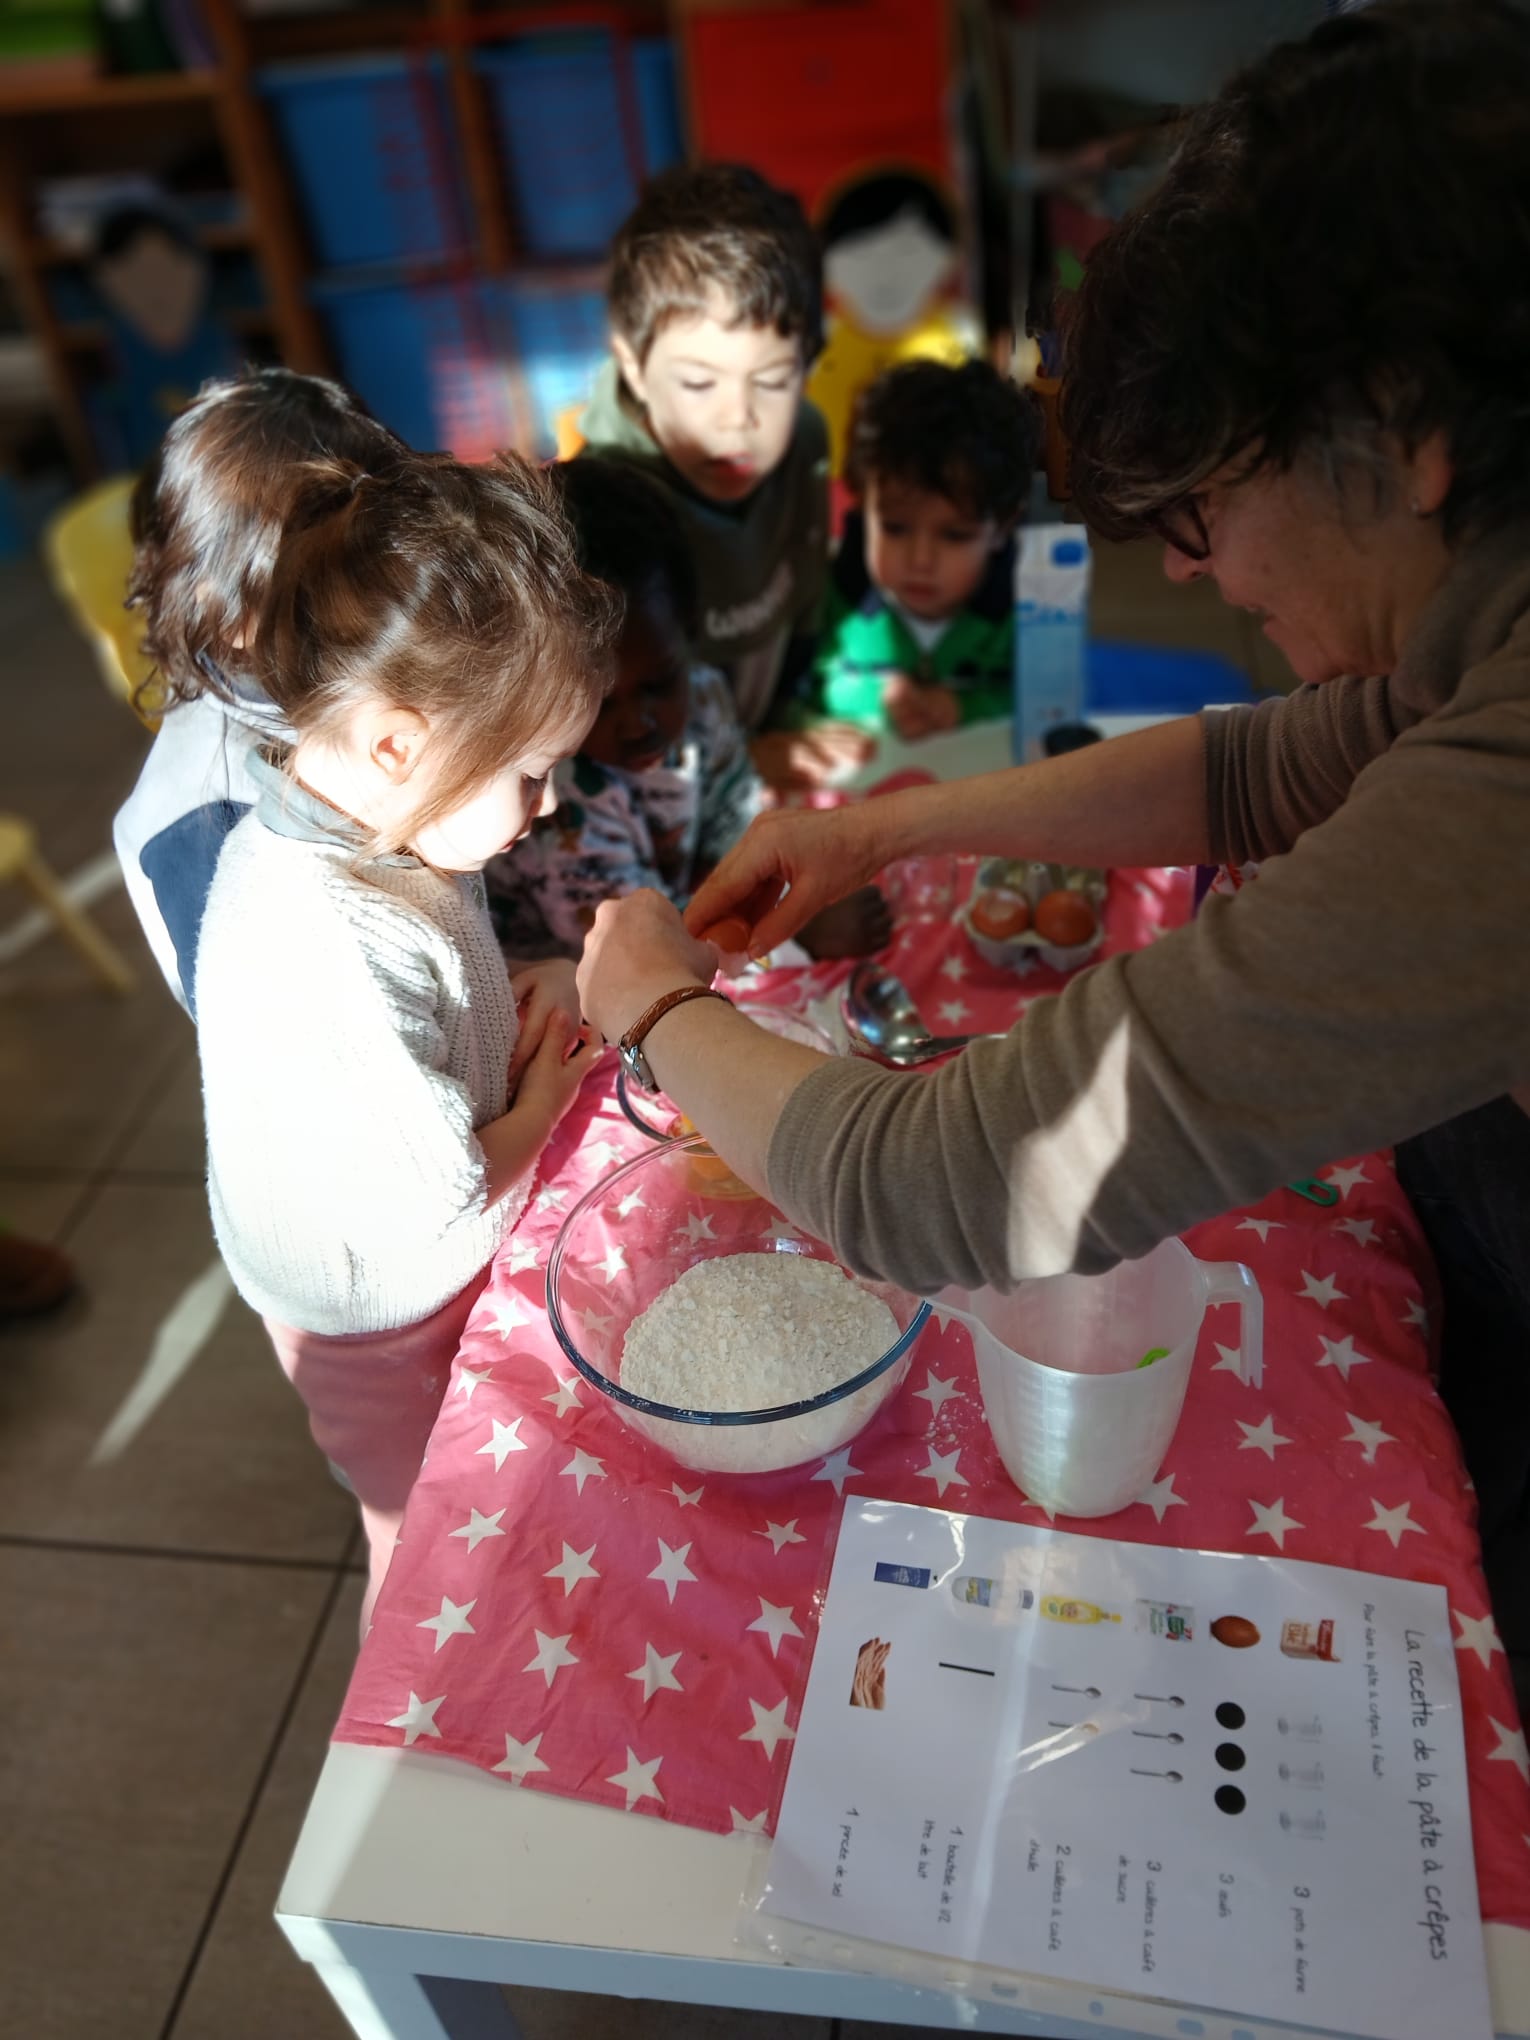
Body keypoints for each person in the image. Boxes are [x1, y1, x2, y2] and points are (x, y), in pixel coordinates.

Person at [572, 0, 1530, 1602]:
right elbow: (1272, 763)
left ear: (1404, 430)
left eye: (1211, 497)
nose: (1189, 564)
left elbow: (952, 1183)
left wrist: (660, 1007)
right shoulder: (1469, 630)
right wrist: (887, 825)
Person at [190, 451, 615, 1621]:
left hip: (393, 1242)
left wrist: (500, 1017)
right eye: (531, 775)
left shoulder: (383, 822)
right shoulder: (331, 930)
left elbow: (417, 1020)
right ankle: (421, 1684)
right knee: (431, 1524)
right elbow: (441, 1187)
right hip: (376, 1320)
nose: (548, 807)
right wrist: (541, 1099)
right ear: (395, 742)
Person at [485, 458, 891, 962]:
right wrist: (795, 928)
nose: (637, 722)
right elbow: (637, 944)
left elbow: (736, 813)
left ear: (689, 629)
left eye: (659, 683)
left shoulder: (703, 697)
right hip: (572, 987)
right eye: (598, 702)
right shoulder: (553, 795)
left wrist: (778, 891)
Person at [117, 368, 405, 1014]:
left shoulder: (326, 674)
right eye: (332, 591)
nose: (378, 608)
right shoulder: (209, 818)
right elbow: (271, 1045)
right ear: (226, 608)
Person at [578, 162, 872, 794]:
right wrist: (744, 764)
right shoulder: (598, 522)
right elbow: (605, 743)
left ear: (809, 364)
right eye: (698, 383)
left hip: (770, 756)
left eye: (771, 381)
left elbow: (805, 619)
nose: (738, 419)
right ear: (631, 366)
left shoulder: (806, 444)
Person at [804, 359, 1040, 739]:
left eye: (955, 535)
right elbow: (798, 698)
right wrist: (874, 698)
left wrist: (964, 706)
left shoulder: (1029, 608)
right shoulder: (832, 598)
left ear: (1002, 528)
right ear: (863, 505)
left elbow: (1043, 697)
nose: (920, 561)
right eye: (895, 529)